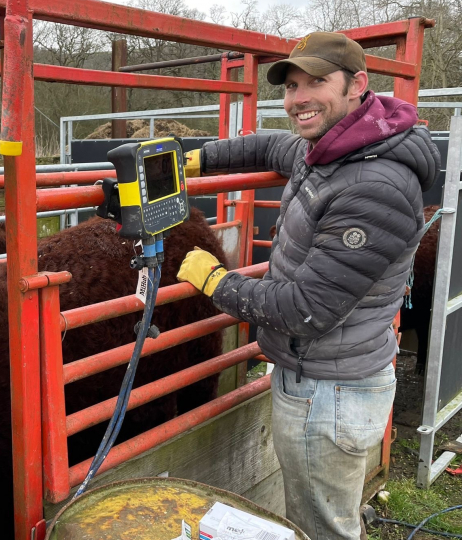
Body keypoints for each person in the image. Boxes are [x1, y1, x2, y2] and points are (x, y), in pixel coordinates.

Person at [176, 32, 441, 540]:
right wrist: (201, 159)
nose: (299, 98)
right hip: (325, 377)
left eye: (316, 82)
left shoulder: (372, 186)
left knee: (322, 529)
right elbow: (277, 146)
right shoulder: (336, 147)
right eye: (292, 85)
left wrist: (215, 281)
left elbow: (306, 310)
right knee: (321, 518)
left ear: (357, 85)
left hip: (328, 394)